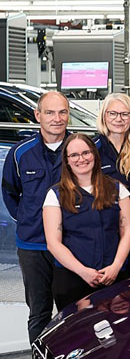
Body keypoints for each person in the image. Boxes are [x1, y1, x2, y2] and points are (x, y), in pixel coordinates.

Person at [3, 91, 69, 341]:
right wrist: (28, 219)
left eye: (62, 112)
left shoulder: (79, 149)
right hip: (33, 245)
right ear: (37, 115)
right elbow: (10, 192)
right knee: (39, 313)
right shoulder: (21, 153)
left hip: (71, 244)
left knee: (72, 313)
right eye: (50, 112)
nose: (57, 118)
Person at [41, 134, 130, 310]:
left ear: (94, 155)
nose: (81, 159)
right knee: (76, 335)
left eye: (86, 153)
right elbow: (53, 243)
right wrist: (83, 271)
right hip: (72, 279)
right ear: (66, 160)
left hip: (113, 276)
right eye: (74, 155)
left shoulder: (117, 189)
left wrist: (116, 266)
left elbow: (127, 231)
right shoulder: (55, 195)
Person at [95, 93, 130, 257]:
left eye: (125, 114)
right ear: (104, 116)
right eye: (113, 113)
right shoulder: (91, 150)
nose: (119, 119)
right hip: (101, 238)